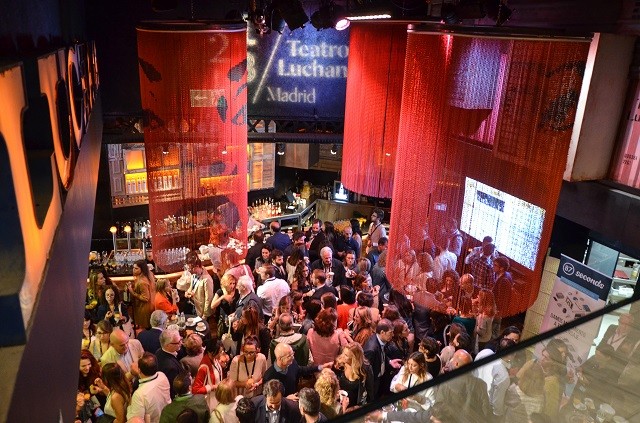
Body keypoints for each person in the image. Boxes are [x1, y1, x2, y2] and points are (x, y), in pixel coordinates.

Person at [263, 343, 332, 397]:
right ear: (280, 359)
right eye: (289, 356)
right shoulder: (269, 377)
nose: (292, 357)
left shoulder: (291, 363)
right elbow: (269, 398)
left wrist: (320, 367)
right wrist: (285, 399)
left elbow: (301, 370)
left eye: (292, 354)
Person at [127, 352, 171, 423]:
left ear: (139, 370)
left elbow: (136, 420)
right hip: (167, 418)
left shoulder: (139, 394)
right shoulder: (162, 376)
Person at [363, 319, 402, 396]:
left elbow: (381, 355)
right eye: (390, 332)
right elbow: (366, 372)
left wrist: (389, 361)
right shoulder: (371, 349)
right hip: (373, 383)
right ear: (382, 332)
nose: (393, 335)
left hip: (380, 379)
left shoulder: (382, 340)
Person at [333, 342, 374, 409]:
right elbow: (333, 383)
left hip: (355, 406)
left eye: (346, 355)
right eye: (343, 353)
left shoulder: (365, 369)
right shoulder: (339, 364)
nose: (342, 356)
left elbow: (370, 391)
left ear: (354, 358)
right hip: (340, 402)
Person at [193, 338, 230, 409]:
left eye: (221, 351)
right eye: (219, 352)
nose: (221, 354)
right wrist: (212, 387)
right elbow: (195, 389)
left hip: (217, 396)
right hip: (210, 400)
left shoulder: (215, 359)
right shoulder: (204, 367)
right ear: (210, 352)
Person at [156, 327, 185, 398]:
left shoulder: (159, 351)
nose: (181, 343)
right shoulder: (170, 368)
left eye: (181, 340)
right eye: (178, 342)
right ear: (168, 345)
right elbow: (174, 390)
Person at [185, 255, 215, 322]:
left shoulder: (207, 279)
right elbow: (191, 288)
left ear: (197, 266)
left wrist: (205, 315)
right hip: (194, 307)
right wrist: (188, 292)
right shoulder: (194, 275)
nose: (189, 271)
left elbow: (209, 299)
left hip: (201, 312)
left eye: (191, 269)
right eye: (188, 269)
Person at [128, 259, 155, 330]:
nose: (133, 270)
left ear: (142, 269)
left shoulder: (142, 282)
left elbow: (145, 298)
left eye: (136, 268)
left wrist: (132, 292)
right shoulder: (148, 275)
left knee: (146, 329)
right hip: (149, 306)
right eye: (133, 268)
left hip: (144, 309)